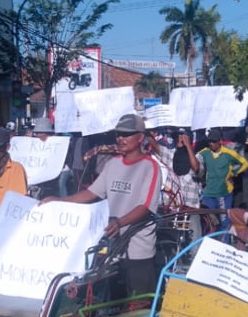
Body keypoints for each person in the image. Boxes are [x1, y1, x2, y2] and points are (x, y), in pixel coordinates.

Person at [42, 114, 162, 298]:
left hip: (139, 250)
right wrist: (58, 200)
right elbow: (91, 193)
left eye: (127, 134)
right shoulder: (112, 164)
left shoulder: (150, 167)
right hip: (113, 248)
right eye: (118, 134)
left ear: (140, 137)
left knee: (140, 303)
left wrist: (120, 222)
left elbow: (145, 207)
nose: (120, 138)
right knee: (111, 302)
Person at [191, 128, 248, 230]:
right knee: (208, 222)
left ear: (220, 141)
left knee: (224, 222)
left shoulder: (229, 153)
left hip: (224, 194)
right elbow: (195, 159)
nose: (211, 144)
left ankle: (224, 243)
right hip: (209, 194)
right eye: (209, 141)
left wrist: (234, 173)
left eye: (213, 141)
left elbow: (244, 163)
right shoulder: (205, 152)